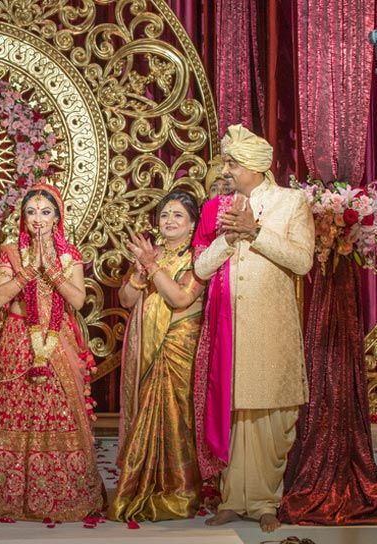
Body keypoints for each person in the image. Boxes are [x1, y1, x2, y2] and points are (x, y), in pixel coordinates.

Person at [0, 184, 104, 521]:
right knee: (11, 412)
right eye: (32, 212)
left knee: (57, 412)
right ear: (22, 218)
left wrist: (49, 269)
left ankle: (60, 492)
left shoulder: (70, 255)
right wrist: (29, 269)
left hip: (57, 341)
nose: (38, 219)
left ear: (57, 219)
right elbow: (2, 297)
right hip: (18, 340)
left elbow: (78, 301)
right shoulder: (10, 251)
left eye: (46, 212)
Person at [194, 124, 314, 533]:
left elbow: (302, 262)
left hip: (271, 328)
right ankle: (233, 499)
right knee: (236, 413)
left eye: (232, 163)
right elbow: (200, 267)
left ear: (255, 167)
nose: (225, 169)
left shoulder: (290, 202)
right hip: (230, 330)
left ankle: (265, 501)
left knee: (270, 414)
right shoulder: (223, 206)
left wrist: (256, 232)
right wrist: (230, 238)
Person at [108, 191, 205, 522]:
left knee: (174, 418)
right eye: (165, 215)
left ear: (192, 225)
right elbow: (126, 299)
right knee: (144, 416)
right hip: (144, 349)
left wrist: (151, 266)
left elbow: (180, 298)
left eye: (178, 215)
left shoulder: (197, 258)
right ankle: (140, 485)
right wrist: (138, 273)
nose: (170, 221)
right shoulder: (153, 254)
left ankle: (178, 491)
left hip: (176, 349)